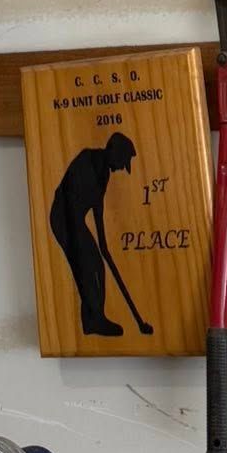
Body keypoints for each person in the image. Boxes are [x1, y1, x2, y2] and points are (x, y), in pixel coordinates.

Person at [48, 132, 152, 337]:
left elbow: (98, 207)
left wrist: (103, 243)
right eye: (123, 161)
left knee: (95, 265)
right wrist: (80, 243)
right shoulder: (87, 161)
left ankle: (92, 320)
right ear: (114, 152)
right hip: (63, 218)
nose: (123, 167)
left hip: (75, 220)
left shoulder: (104, 173)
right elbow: (69, 199)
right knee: (89, 266)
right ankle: (94, 319)